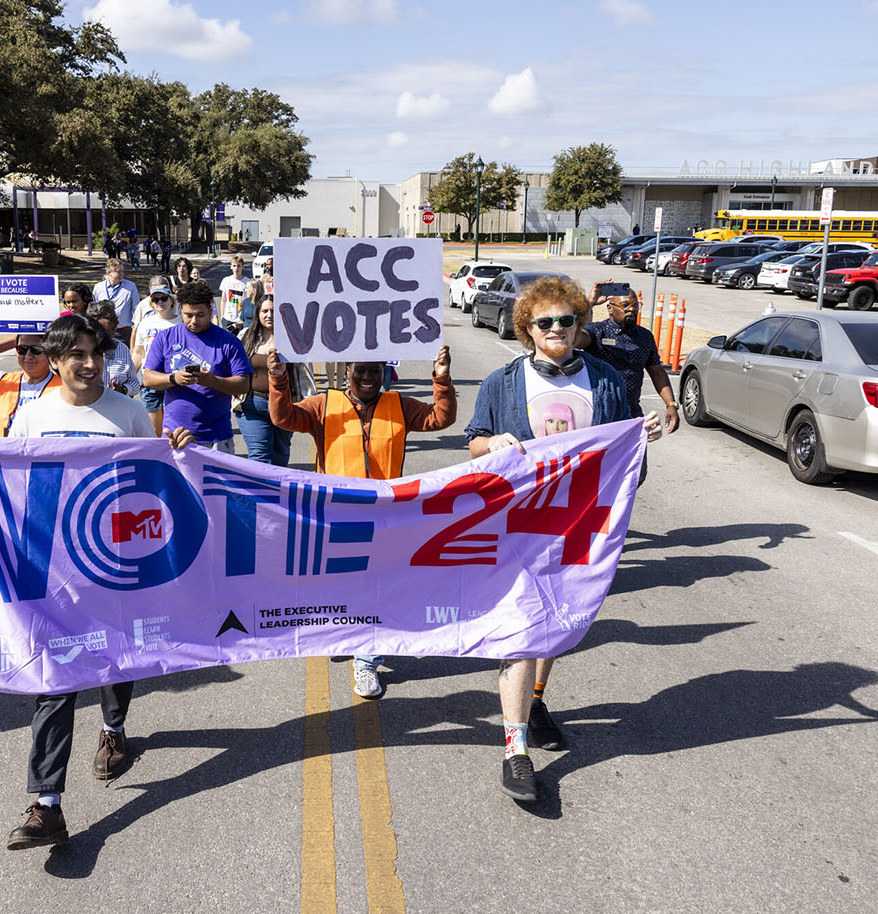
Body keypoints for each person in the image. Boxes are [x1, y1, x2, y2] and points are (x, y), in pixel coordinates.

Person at [0, 313, 195, 850]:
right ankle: (47, 805)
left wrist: (177, 451)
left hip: (118, 567)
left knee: (120, 659)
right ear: (57, 360)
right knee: (54, 681)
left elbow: (157, 479)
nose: (90, 365)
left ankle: (113, 731)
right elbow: (6, 479)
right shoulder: (32, 416)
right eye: (78, 356)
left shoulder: (130, 412)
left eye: (96, 354)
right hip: (55, 579)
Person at [464, 275, 662, 804]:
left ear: (579, 325)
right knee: (525, 629)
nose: (556, 329)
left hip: (578, 525)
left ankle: (536, 699)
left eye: (566, 321)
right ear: (526, 329)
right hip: (519, 522)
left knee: (558, 619)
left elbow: (623, 457)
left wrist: (641, 439)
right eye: (544, 322)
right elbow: (473, 442)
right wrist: (491, 445)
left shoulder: (603, 379)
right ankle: (514, 748)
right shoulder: (502, 382)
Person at [268, 345, 456, 698]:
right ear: (347, 371)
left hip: (384, 519)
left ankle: (366, 661)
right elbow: (284, 418)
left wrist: (441, 376)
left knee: (376, 589)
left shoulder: (399, 405)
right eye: (360, 371)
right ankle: (342, 631)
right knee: (338, 586)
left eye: (374, 371)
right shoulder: (325, 404)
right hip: (333, 517)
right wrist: (278, 378)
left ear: (384, 372)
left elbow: (441, 419)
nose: (367, 378)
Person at [577, 282, 680, 469]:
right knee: (596, 474)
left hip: (631, 415)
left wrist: (671, 404)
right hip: (600, 417)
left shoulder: (645, 337)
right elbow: (572, 338)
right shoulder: (596, 332)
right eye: (625, 305)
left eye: (635, 305)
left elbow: (656, 371)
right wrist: (589, 303)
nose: (631, 310)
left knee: (635, 472)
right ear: (610, 308)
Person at [142, 279, 252, 454]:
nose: (193, 321)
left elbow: (243, 384)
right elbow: (147, 378)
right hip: (175, 435)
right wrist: (173, 378)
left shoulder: (229, 341)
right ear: (180, 310)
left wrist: (212, 381)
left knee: (217, 483)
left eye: (200, 315)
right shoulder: (166, 337)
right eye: (188, 315)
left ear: (210, 309)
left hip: (217, 436)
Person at [236, 296, 309, 466]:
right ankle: (259, 493)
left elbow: (304, 373)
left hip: (284, 405)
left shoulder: (293, 338)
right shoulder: (246, 336)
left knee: (280, 454)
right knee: (259, 456)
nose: (269, 315)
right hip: (252, 405)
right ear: (257, 313)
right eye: (265, 311)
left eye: (273, 311)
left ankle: (278, 492)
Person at [131, 280, 179, 435]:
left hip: (174, 380)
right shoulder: (145, 323)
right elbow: (139, 353)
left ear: (171, 300)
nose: (160, 302)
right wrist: (131, 377)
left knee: (171, 426)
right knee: (153, 429)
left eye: (163, 298)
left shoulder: (181, 322)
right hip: (150, 379)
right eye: (155, 299)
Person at [90, 301, 142, 398]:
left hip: (117, 408)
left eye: (116, 318)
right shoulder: (82, 348)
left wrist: (123, 389)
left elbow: (135, 383)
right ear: (96, 320)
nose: (117, 322)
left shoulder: (121, 348)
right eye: (112, 319)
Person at [91, 257, 139, 345]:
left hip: (124, 332)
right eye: (118, 271)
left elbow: (136, 310)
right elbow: (94, 310)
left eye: (123, 271)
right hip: (104, 332)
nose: (122, 274)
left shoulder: (131, 286)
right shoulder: (98, 287)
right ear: (109, 273)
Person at [219, 255, 249, 333]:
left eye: (238, 266)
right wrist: (222, 316)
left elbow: (250, 301)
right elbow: (223, 300)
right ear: (231, 267)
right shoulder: (226, 280)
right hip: (228, 318)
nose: (236, 268)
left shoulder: (247, 282)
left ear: (242, 267)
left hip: (241, 319)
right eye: (234, 266)